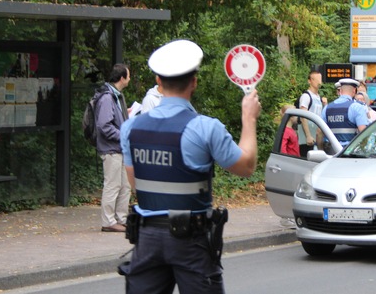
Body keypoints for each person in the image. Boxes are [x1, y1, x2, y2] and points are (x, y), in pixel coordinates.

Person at [119, 39, 261, 294]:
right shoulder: (205, 128)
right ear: (194, 82)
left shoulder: (130, 128)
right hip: (191, 241)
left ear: (158, 82)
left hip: (147, 239)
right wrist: (248, 119)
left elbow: (135, 184)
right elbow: (247, 166)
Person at [95, 63, 132, 233]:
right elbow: (104, 125)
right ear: (122, 78)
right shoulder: (107, 97)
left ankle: (120, 219)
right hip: (111, 149)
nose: (130, 79)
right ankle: (108, 221)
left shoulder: (116, 96)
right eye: (129, 76)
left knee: (125, 185)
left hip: (120, 149)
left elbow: (113, 120)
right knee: (113, 184)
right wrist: (123, 135)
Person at [321, 78, 369, 148]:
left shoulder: (327, 108)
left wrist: (321, 150)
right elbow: (363, 133)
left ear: (340, 91)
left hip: (331, 151)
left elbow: (319, 132)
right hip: (348, 152)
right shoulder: (357, 107)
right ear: (354, 91)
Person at [297, 70, 326, 157]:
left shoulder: (319, 98)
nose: (318, 82)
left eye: (319, 79)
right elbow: (303, 116)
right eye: (315, 79)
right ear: (309, 81)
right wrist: (308, 135)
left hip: (317, 136)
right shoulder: (306, 96)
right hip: (307, 137)